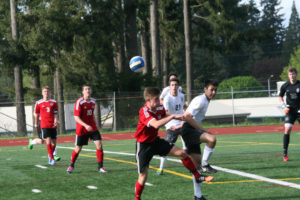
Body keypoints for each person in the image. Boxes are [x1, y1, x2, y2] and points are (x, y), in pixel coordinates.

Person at [134, 87, 213, 200]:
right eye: (156, 99)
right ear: (148, 100)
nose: (159, 101)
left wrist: (180, 116)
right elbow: (156, 124)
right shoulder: (144, 111)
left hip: (155, 141)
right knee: (143, 177)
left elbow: (165, 113)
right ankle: (137, 198)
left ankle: (198, 176)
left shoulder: (159, 106)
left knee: (182, 153)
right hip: (143, 146)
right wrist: (172, 116)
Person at [182, 80, 218, 200]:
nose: (213, 92)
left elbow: (187, 112)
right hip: (189, 130)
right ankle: (205, 164)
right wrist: (202, 130)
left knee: (196, 167)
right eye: (211, 89)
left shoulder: (205, 100)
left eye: (215, 90)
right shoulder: (201, 100)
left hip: (190, 130)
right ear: (205, 89)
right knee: (212, 139)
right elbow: (187, 117)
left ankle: (197, 196)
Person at [66, 85, 107, 174]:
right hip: (82, 129)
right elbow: (76, 118)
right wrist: (85, 125)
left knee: (99, 145)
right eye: (85, 89)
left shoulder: (93, 101)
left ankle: (100, 167)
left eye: (89, 89)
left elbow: (91, 114)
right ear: (82, 92)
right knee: (78, 148)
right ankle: (71, 165)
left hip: (92, 127)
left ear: (91, 91)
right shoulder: (79, 102)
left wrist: (95, 125)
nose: (87, 90)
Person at [156, 78, 186, 175]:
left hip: (182, 124)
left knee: (188, 145)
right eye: (172, 85)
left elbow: (182, 107)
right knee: (166, 147)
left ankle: (193, 166)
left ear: (178, 86)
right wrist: (176, 117)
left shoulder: (181, 96)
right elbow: (166, 113)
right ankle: (161, 169)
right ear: (169, 87)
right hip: (171, 125)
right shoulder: (167, 98)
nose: (174, 87)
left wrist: (184, 118)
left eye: (175, 85)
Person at [33, 86, 59, 165]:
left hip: (52, 124)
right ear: (42, 93)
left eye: (48, 91)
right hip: (44, 124)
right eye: (44, 91)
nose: (46, 93)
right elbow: (36, 114)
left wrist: (55, 121)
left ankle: (50, 155)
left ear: (50, 93)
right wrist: (36, 123)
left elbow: (55, 113)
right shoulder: (39, 103)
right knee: (48, 141)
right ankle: (51, 158)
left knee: (54, 143)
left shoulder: (54, 102)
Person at [279, 67, 300, 162]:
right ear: (288, 75)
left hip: (299, 110)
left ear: (296, 74)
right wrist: (283, 105)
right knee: (287, 129)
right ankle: (285, 153)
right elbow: (280, 96)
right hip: (290, 111)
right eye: (290, 74)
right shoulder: (285, 85)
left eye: (294, 74)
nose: (292, 76)